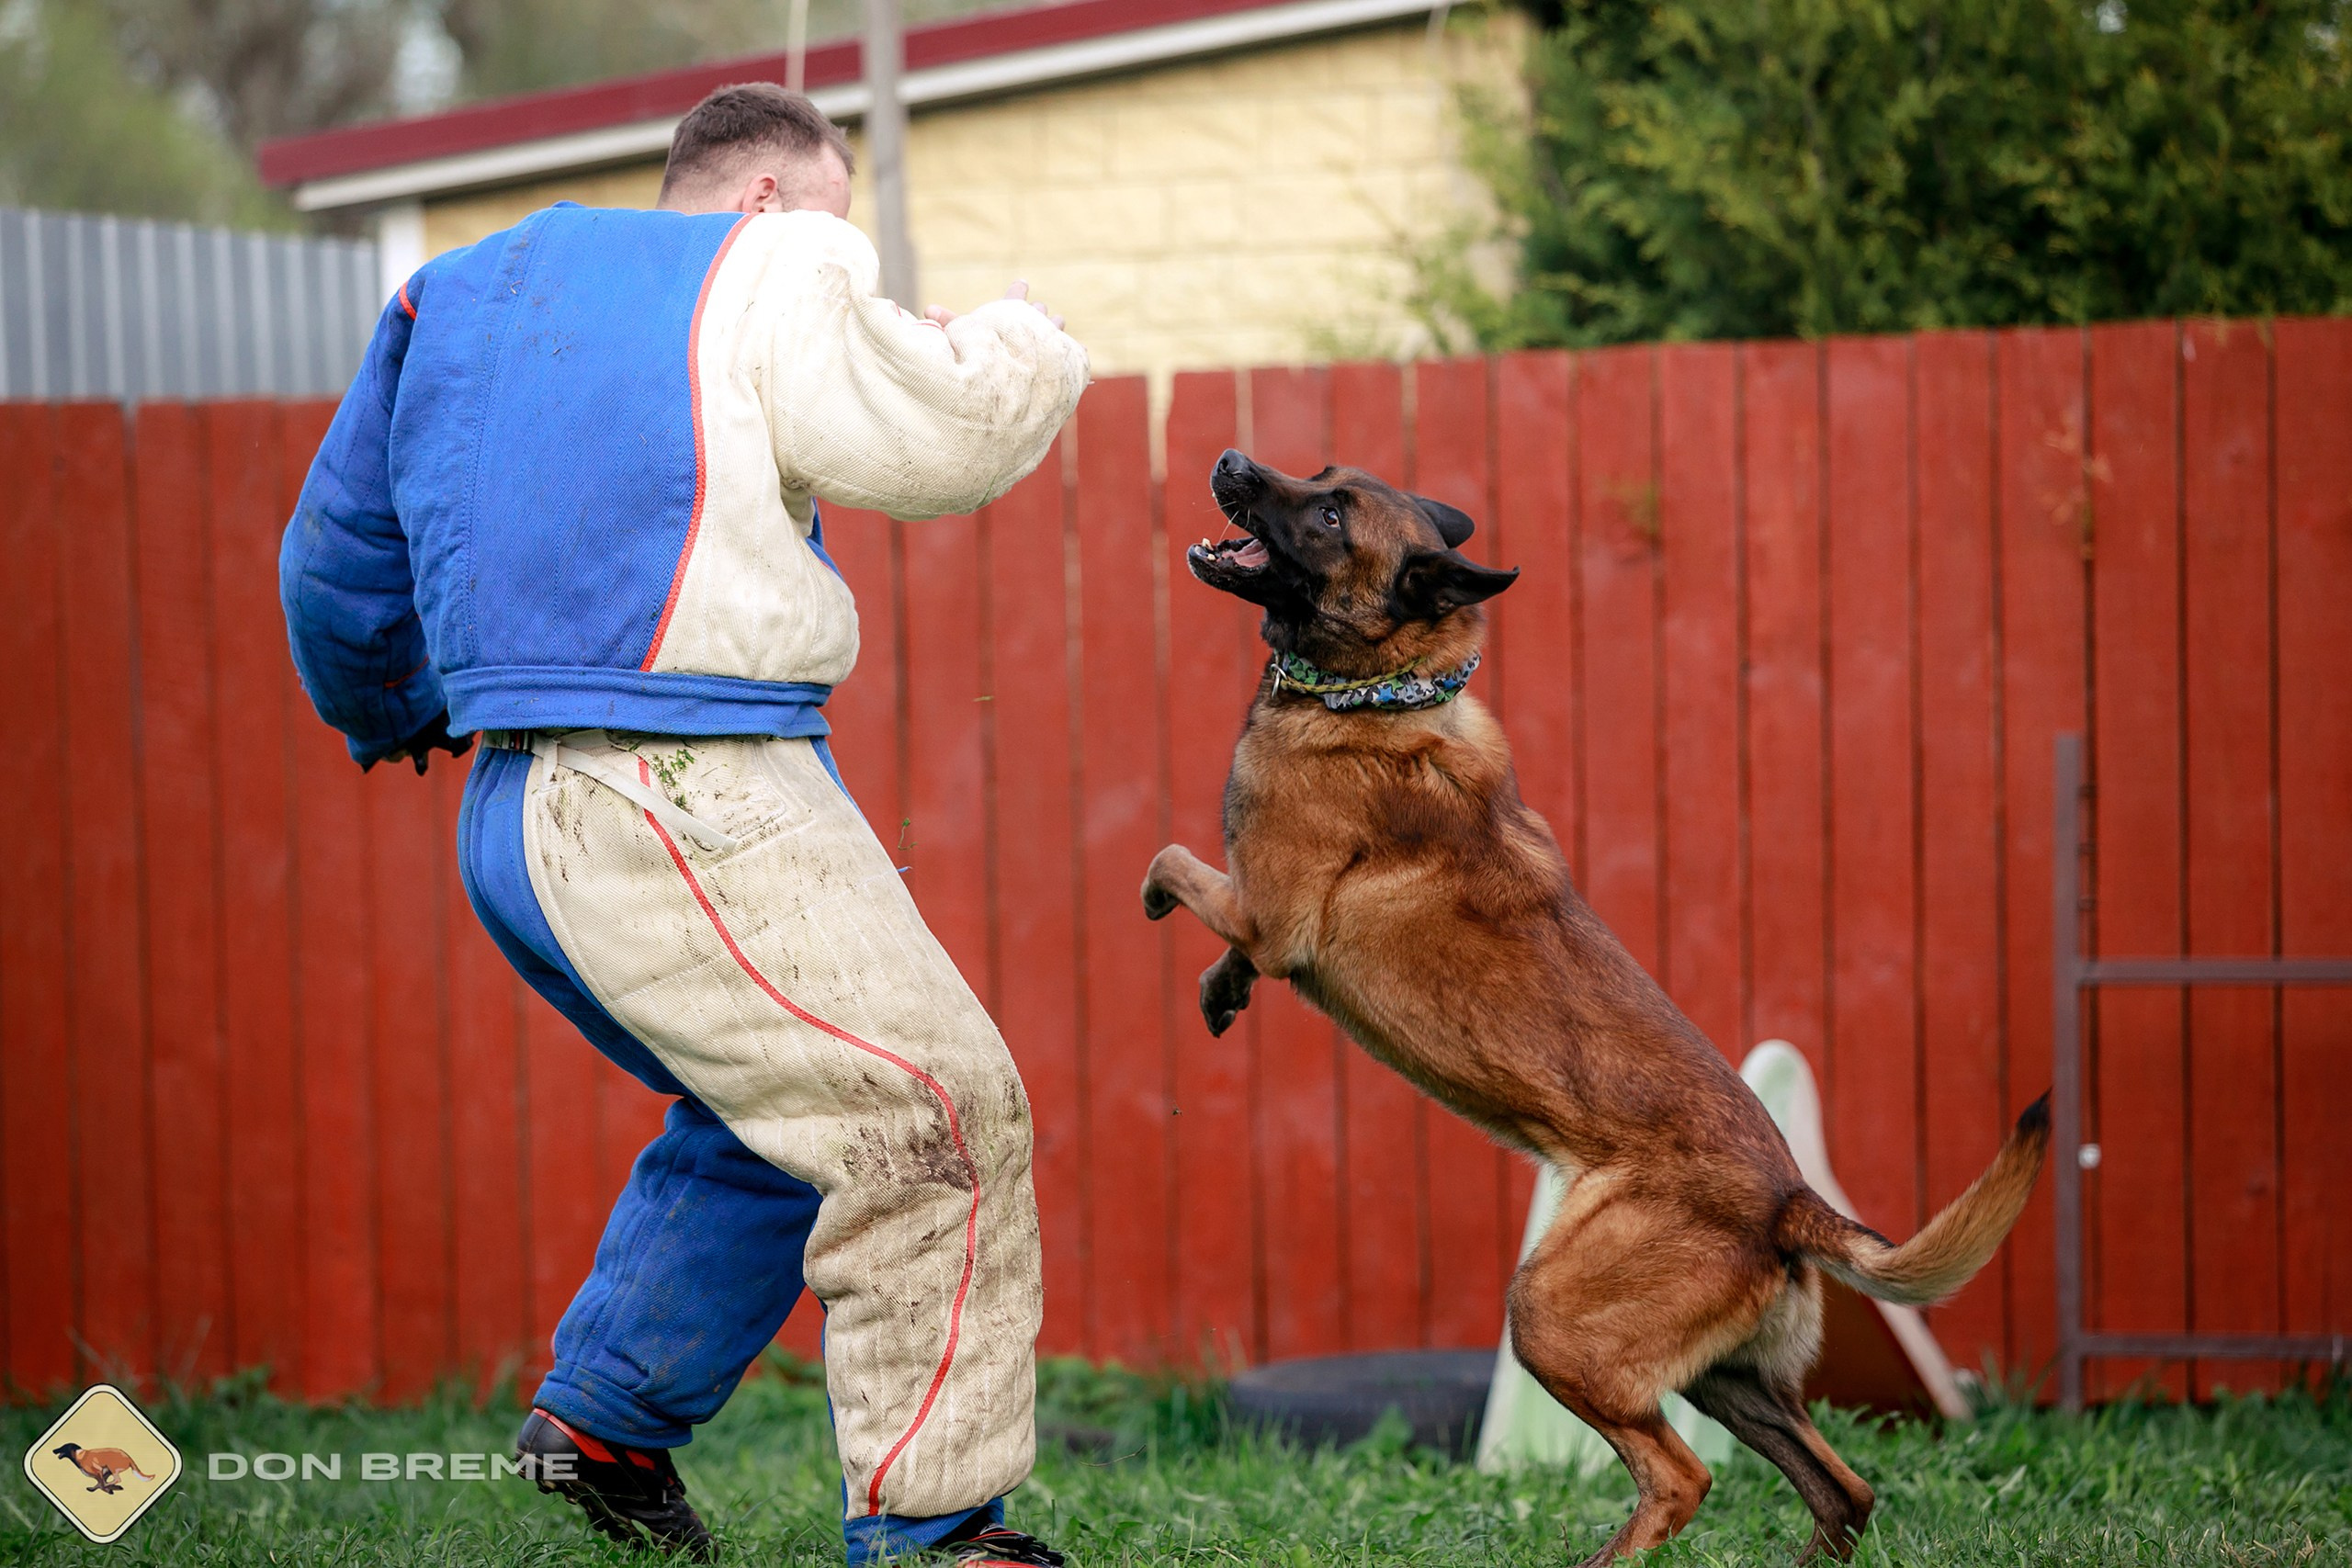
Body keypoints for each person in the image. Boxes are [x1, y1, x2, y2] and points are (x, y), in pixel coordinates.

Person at [279, 83, 1088, 1568]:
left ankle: (603, 1425)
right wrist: (1024, 344)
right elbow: (936, 437)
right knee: (942, 1111)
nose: (846, 264)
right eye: (837, 222)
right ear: (768, 200)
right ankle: (941, 1532)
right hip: (690, 786)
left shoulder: (450, 291)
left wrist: (396, 707)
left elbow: (332, 559)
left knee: (777, 1118)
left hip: (511, 816)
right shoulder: (774, 261)